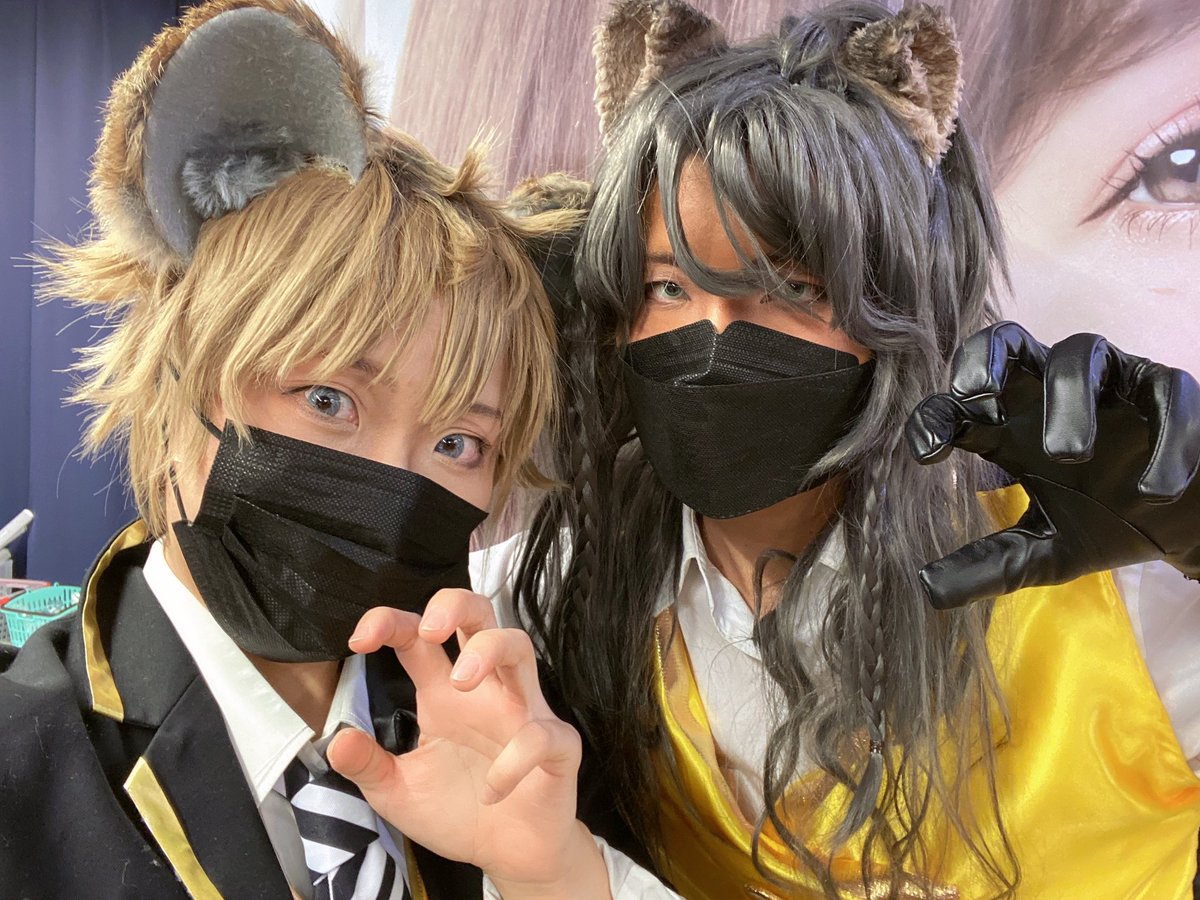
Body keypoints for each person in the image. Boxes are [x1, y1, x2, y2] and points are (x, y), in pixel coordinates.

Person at [470, 2, 1200, 897]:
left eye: (792, 288)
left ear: (895, 305)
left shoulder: (1114, 596)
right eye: (668, 288)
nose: (716, 339)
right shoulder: (544, 603)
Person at [0, 1, 625, 897]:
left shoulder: (521, 740)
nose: (392, 484)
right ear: (187, 370)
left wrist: (547, 878)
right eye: (329, 399)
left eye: (458, 441)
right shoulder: (21, 775)